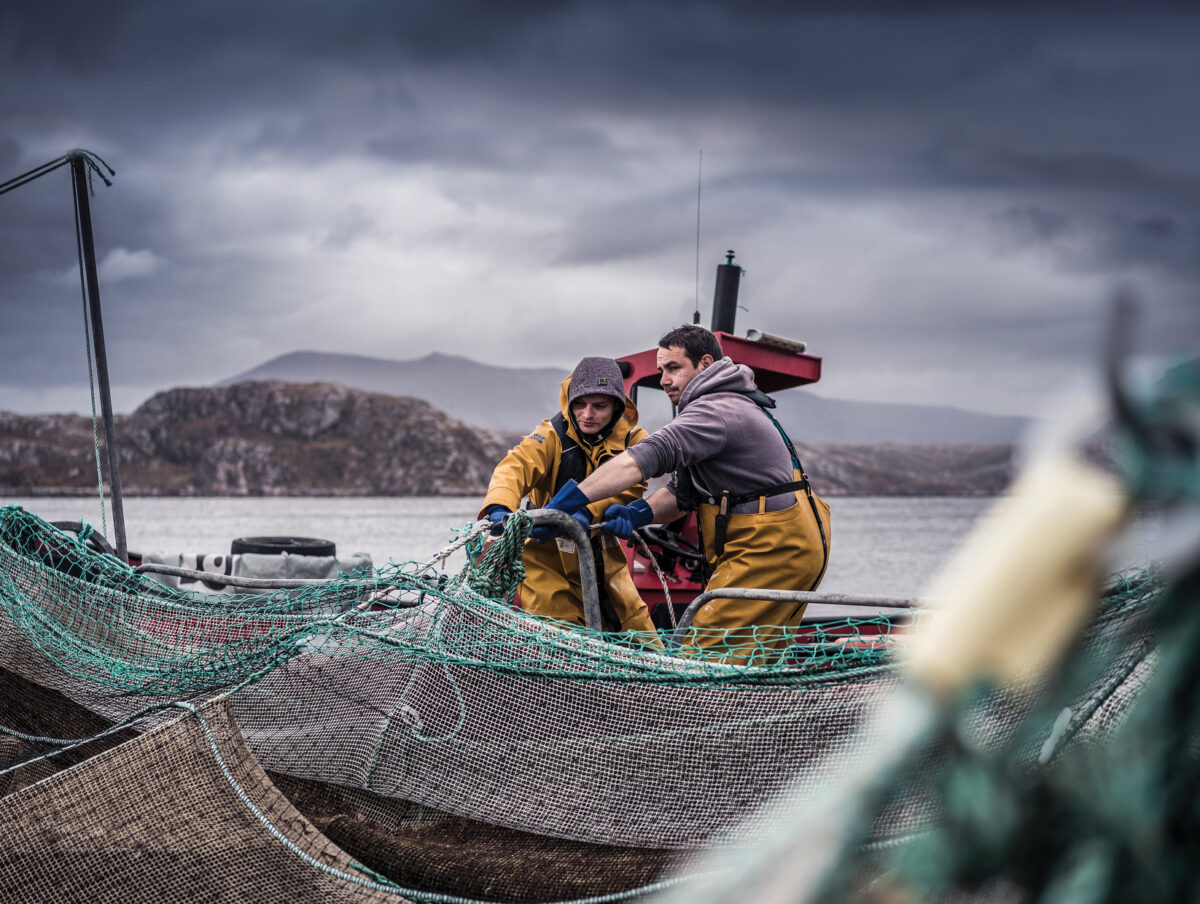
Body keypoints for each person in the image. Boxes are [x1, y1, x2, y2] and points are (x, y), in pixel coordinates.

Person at [537, 325, 831, 658]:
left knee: (702, 657)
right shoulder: (734, 402)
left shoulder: (715, 409)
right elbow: (683, 493)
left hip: (770, 548)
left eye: (674, 368)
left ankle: (694, 710)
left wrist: (567, 503)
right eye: (661, 369)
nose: (663, 379)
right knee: (755, 655)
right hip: (794, 543)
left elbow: (643, 459)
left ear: (706, 364)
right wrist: (639, 513)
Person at [478, 356, 658, 635]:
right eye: (579, 404)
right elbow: (514, 467)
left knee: (641, 636)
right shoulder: (550, 435)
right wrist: (500, 507)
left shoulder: (633, 440)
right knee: (563, 639)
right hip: (545, 559)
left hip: (605, 557)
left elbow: (632, 487)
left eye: (599, 406)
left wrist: (593, 511)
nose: (587, 414)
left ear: (617, 406)